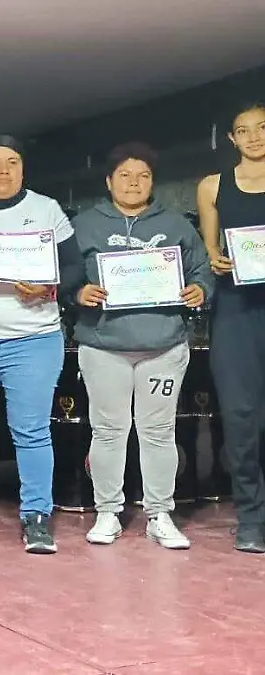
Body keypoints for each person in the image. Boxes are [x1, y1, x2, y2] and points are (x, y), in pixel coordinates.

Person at [66, 142, 211, 549]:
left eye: (143, 176)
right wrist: (79, 292)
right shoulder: (85, 224)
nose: (134, 183)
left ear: (152, 182)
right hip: (103, 345)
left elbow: (201, 269)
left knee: (158, 431)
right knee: (109, 430)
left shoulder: (176, 225)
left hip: (163, 345)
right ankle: (107, 511)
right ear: (109, 181)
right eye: (125, 175)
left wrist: (199, 288)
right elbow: (64, 277)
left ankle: (159, 513)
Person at [0, 135, 81, 554]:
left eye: (12, 163)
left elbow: (74, 267)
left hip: (33, 340)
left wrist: (49, 288)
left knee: (32, 431)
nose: (3, 171)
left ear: (22, 170)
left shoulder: (46, 210)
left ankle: (36, 515)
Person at [197, 102, 265, 553]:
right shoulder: (212, 186)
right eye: (244, 131)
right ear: (233, 140)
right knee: (241, 417)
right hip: (237, 311)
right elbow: (209, 250)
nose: (254, 137)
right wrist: (217, 260)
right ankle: (251, 518)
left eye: (262, 129)